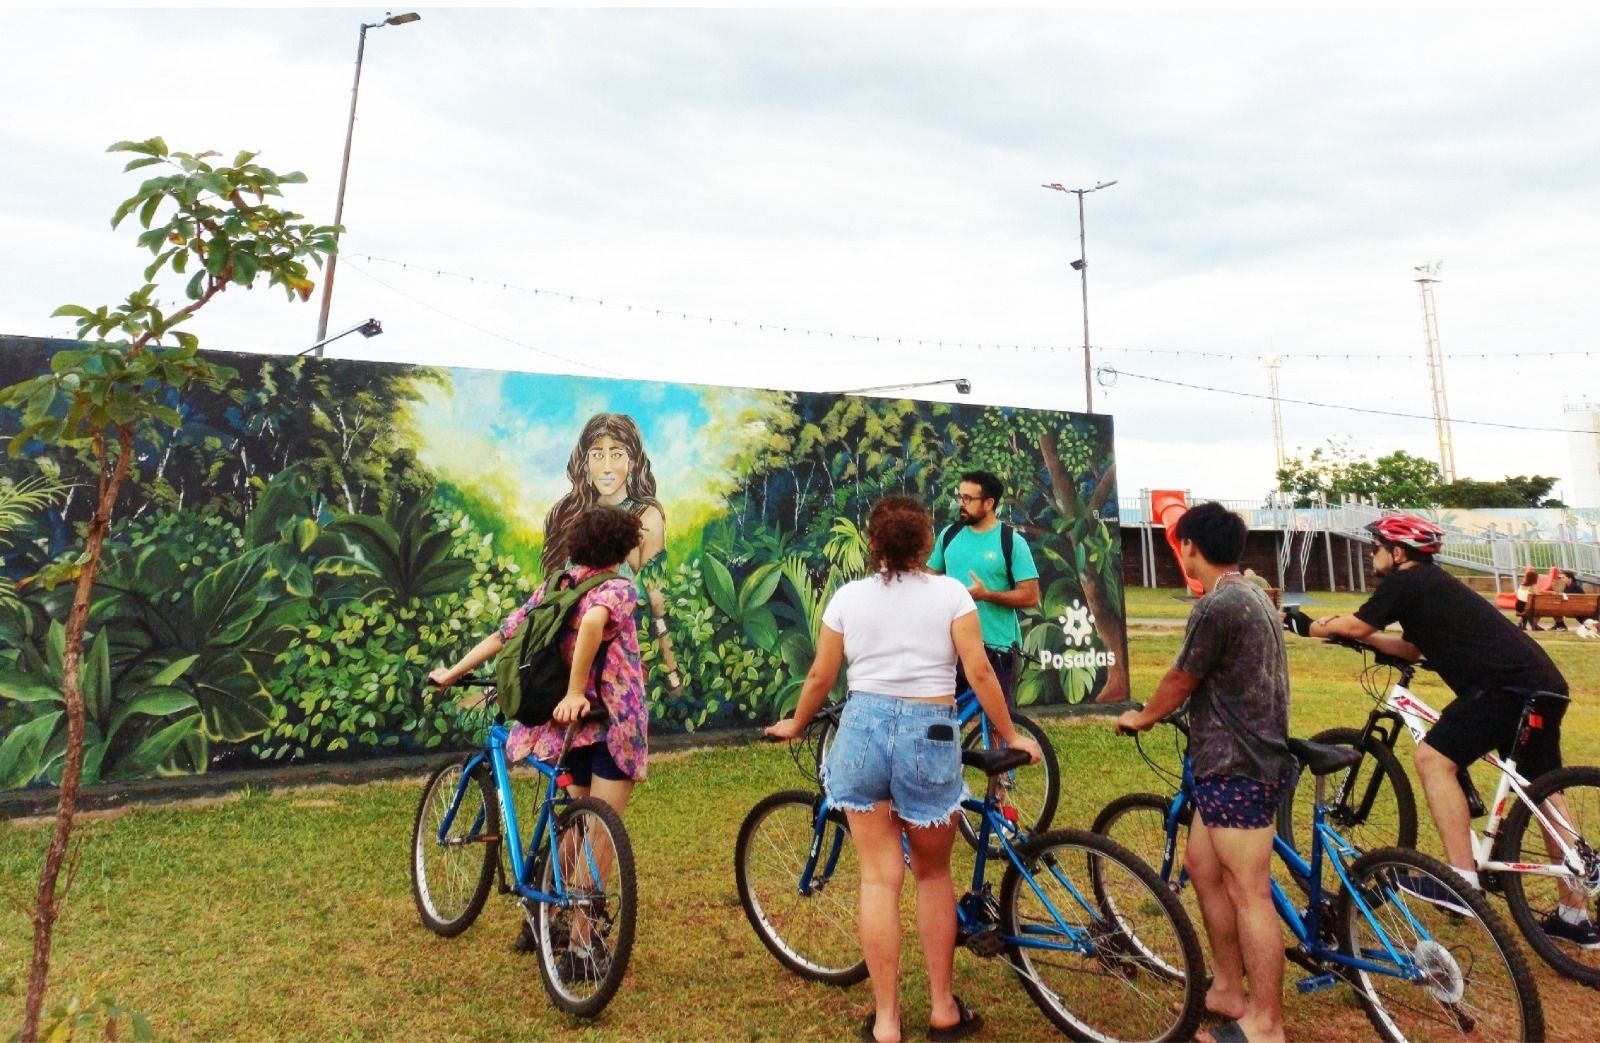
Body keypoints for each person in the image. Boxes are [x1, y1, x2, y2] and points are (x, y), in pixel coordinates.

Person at [766, 495, 1042, 1043]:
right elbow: (980, 671)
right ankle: (942, 1007)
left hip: (861, 729)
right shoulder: (951, 594)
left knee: (878, 878)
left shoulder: (848, 597)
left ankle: (887, 1020)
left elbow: (821, 676)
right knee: (933, 876)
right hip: (931, 732)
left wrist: (795, 725)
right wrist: (1012, 735)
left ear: (874, 544)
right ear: (925, 544)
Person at [1293, 513, 1596, 947]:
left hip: (1502, 689)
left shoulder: (1405, 580)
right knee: (1543, 791)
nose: (1372, 554)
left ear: (1398, 553)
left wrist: (1309, 626)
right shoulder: (1433, 584)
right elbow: (1412, 648)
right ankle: (1573, 915)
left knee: (1432, 759)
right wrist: (1368, 642)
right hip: (1543, 685)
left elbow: (1358, 623)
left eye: (1376, 546)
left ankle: (1461, 885)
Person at [430, 505, 650, 954]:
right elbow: (593, 622)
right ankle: (583, 945)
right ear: (623, 547)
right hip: (609, 721)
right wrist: (576, 692)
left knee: (576, 820)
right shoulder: (618, 587)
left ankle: (542, 918)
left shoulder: (558, 585)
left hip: (567, 727)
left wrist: (454, 671)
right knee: (600, 829)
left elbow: (504, 634)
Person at [1114, 501, 1292, 1043]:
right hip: (1225, 763)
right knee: (1202, 866)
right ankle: (1227, 990)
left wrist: (1142, 716)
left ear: (1190, 546)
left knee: (1249, 892)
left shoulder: (1217, 606)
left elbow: (1180, 678)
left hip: (1240, 765)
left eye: (1181, 545)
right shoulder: (1250, 595)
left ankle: (1266, 1024)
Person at [541, 412, 685, 695]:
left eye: (617, 454)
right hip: (568, 653)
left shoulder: (647, 516)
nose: (606, 467)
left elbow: (655, 597)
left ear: (632, 463)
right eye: (597, 455)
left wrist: (669, 667)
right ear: (584, 463)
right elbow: (551, 594)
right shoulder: (566, 515)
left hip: (622, 652)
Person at [926, 470, 1040, 702]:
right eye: (960, 497)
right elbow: (928, 581)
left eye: (968, 499)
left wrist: (986, 595)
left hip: (995, 649)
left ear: (989, 503)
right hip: (950, 647)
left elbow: (1030, 597)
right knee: (944, 719)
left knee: (996, 721)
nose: (961, 503)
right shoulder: (949, 535)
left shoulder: (1011, 542)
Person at [1516, 567, 1541, 631]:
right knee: (1538, 609)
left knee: (1526, 607)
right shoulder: (1533, 586)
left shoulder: (1522, 585)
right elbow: (1538, 594)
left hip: (1518, 607)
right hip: (1527, 608)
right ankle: (1534, 624)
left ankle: (1522, 625)